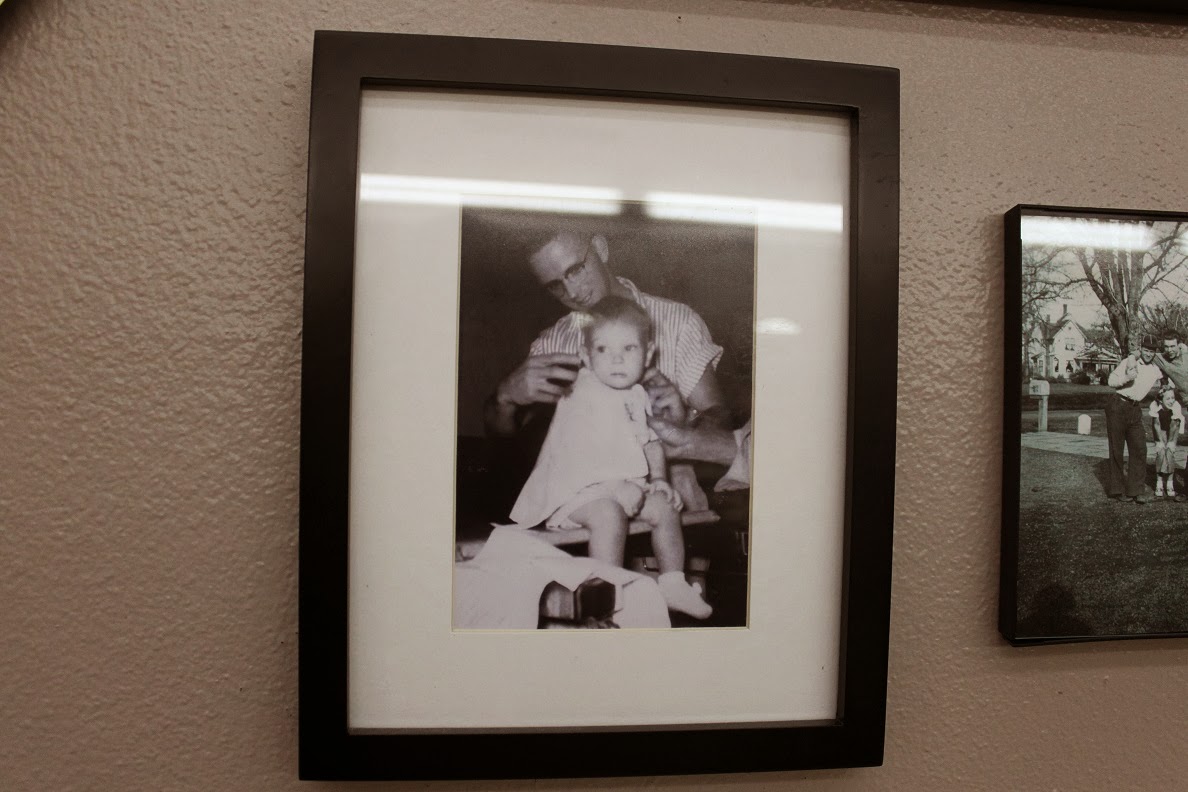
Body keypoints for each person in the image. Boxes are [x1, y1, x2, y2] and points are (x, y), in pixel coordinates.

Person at [508, 296, 712, 619]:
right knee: (609, 515)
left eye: (629, 348)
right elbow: (575, 452)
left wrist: (660, 481)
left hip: (625, 488)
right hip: (577, 493)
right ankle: (606, 597)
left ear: (648, 354)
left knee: (664, 507)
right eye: (603, 349)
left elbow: (651, 443)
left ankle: (673, 583)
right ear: (586, 356)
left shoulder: (637, 394)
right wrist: (614, 487)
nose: (617, 359)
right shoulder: (581, 394)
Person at [484, 230, 729, 437]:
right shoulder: (550, 346)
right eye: (555, 285)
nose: (572, 292)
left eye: (575, 270)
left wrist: (681, 423)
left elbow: (718, 417)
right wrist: (504, 400)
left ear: (600, 249)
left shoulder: (676, 321)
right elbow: (508, 444)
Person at [1106, 334, 1162, 503]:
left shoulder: (1155, 369)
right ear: (1141, 349)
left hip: (1135, 408)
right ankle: (1116, 490)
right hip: (1118, 405)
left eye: (1152, 351)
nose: (1149, 354)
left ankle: (1136, 490)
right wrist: (1126, 378)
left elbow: (1167, 373)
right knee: (1116, 449)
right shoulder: (1128, 362)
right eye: (1146, 350)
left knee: (1139, 448)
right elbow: (1111, 381)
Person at [1149, 384, 1183, 499]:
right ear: (1160, 400)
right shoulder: (1154, 405)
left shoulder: (1176, 406)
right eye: (1168, 398)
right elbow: (1156, 424)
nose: (1171, 401)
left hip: (1173, 427)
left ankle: (1169, 483)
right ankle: (1159, 483)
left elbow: (1174, 425)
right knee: (1161, 452)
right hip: (1160, 428)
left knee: (1170, 452)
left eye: (1173, 398)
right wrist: (1159, 441)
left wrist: (1171, 442)